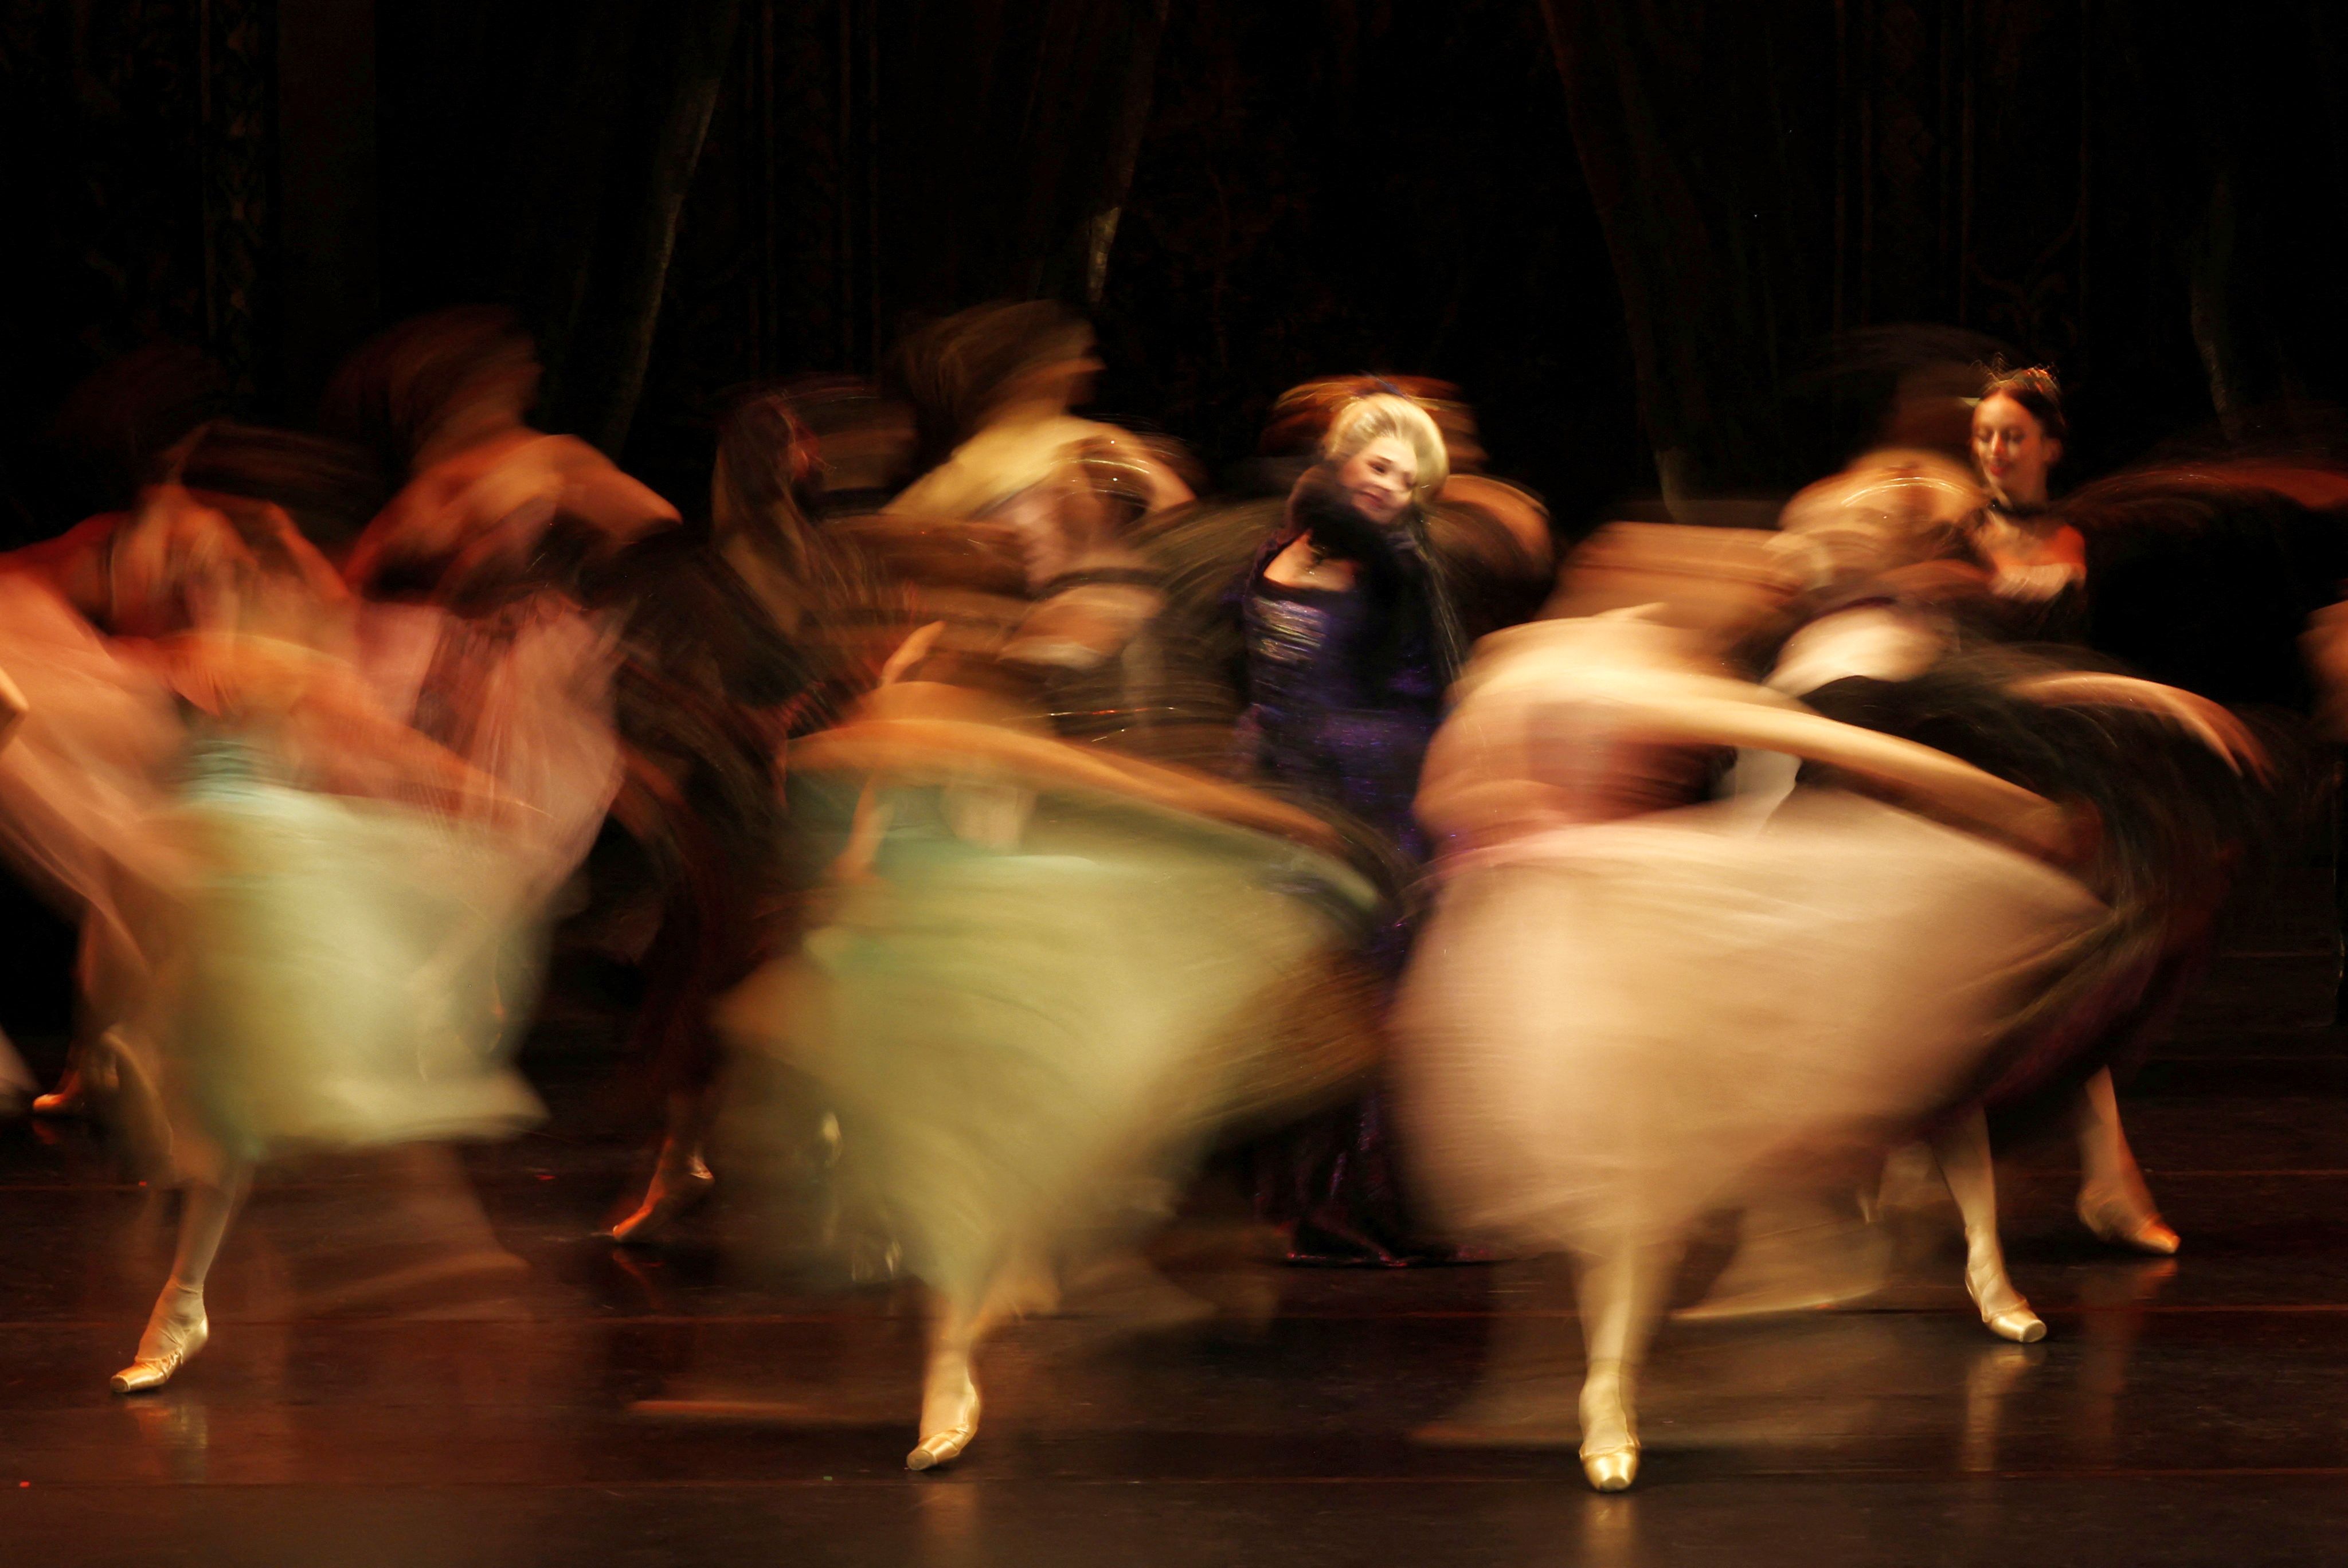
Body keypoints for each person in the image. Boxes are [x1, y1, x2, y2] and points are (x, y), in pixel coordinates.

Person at [1232, 392, 1468, 1265]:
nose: (1391, 489)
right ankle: (1291, 1203)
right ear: (1341, 460)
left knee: (1366, 997)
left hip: (1369, 807)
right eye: (1380, 467)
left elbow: (1429, 696)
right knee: (1298, 995)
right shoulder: (1282, 548)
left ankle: (1359, 1207)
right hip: (1284, 802)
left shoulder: (1402, 571)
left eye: (1409, 482)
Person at [1965, 365, 2087, 640]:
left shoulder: (2084, 532)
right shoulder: (1964, 534)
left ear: (2050, 449)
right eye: (1984, 437)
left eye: (2013, 437)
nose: (1995, 450)